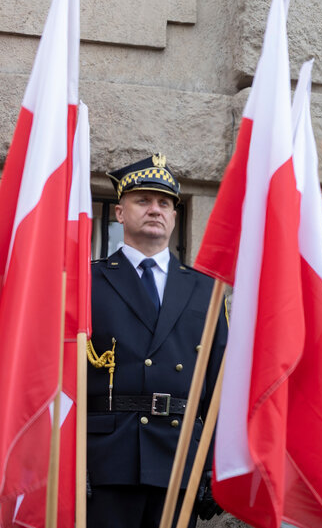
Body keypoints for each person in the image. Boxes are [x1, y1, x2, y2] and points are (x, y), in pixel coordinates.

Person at [85, 155, 227, 528]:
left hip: (179, 458)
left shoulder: (204, 289)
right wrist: (71, 462)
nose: (155, 210)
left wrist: (213, 466)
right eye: (143, 201)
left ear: (175, 217)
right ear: (119, 212)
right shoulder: (87, 283)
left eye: (164, 203)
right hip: (106, 460)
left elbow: (219, 388)